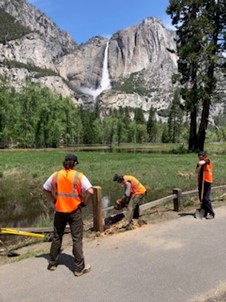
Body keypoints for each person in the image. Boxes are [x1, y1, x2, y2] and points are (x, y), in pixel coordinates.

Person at [43, 154, 93, 276]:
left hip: (59, 211)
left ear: (64, 162)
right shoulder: (79, 176)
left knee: (56, 236)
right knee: (76, 239)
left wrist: (55, 200)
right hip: (74, 211)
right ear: (75, 163)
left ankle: (52, 263)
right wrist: (84, 203)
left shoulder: (56, 175)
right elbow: (90, 191)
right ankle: (79, 268)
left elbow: (45, 189)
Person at [195, 151, 215, 219]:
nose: (200, 158)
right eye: (199, 157)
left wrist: (202, 162)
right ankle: (204, 212)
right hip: (201, 182)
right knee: (201, 198)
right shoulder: (199, 163)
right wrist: (199, 166)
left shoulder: (207, 160)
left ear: (204, 156)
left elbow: (204, 162)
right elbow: (196, 171)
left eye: (201, 157)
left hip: (207, 181)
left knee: (206, 198)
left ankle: (211, 213)